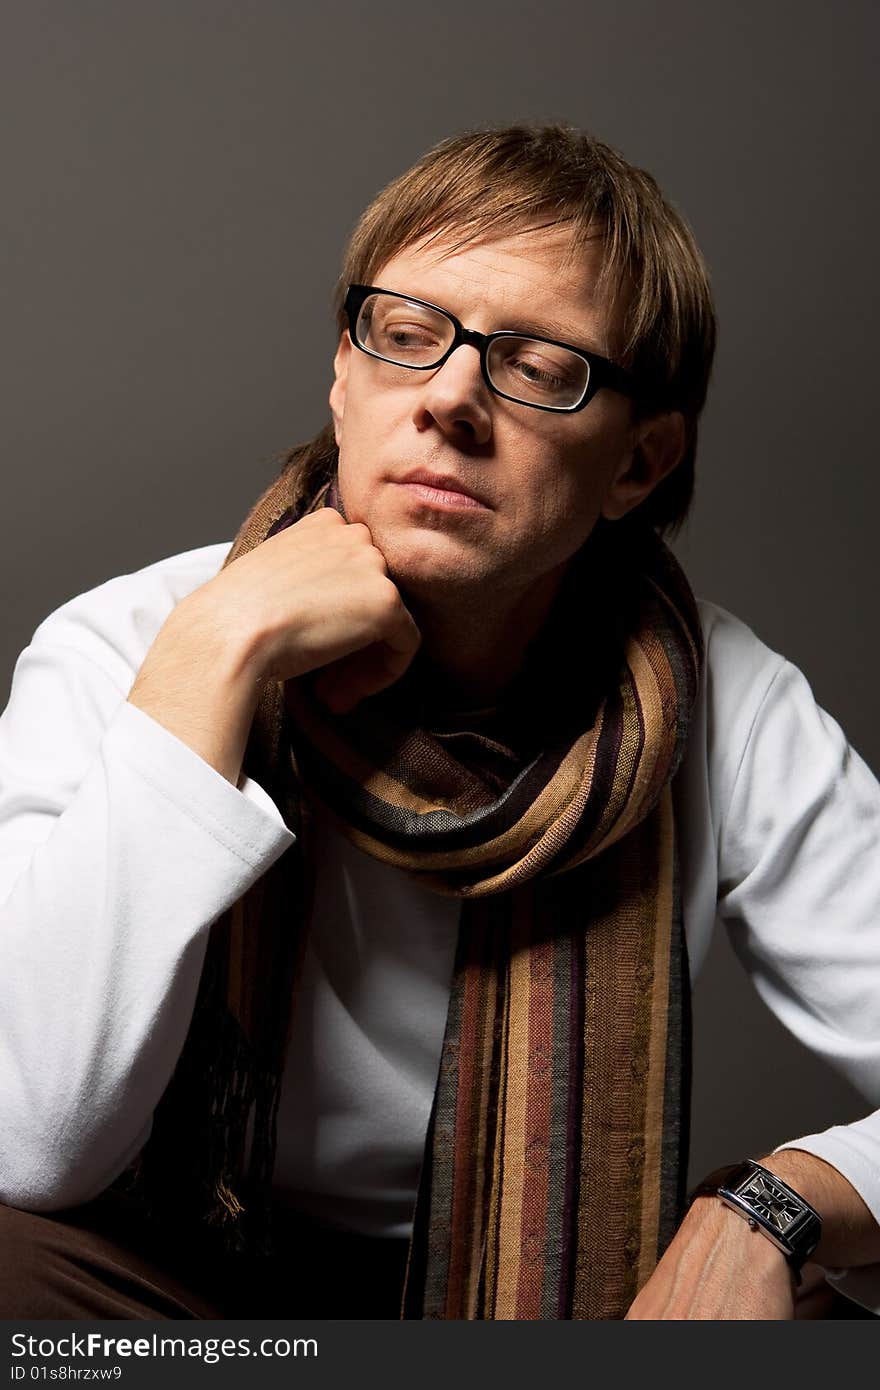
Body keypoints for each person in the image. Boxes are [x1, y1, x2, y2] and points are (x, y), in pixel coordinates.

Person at [1, 123, 879, 1322]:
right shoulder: (130, 642)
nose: (450, 398)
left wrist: (780, 1201)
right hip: (175, 1299)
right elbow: (31, 1142)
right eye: (405, 338)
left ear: (639, 462)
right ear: (342, 381)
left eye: (537, 366)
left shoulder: (723, 706)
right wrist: (211, 659)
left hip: (547, 1299)